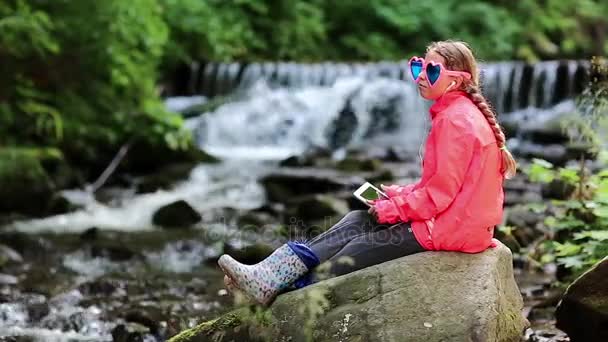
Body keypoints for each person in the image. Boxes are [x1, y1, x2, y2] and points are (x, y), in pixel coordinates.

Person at [217, 40, 518, 306]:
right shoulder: (459, 113)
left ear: (455, 81)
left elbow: (440, 195)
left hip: (449, 229)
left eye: (432, 71)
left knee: (350, 255)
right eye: (419, 67)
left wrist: (392, 210)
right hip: (452, 222)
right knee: (356, 220)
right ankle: (267, 276)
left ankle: (279, 289)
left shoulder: (455, 122)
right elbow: (443, 185)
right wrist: (398, 195)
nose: (422, 77)